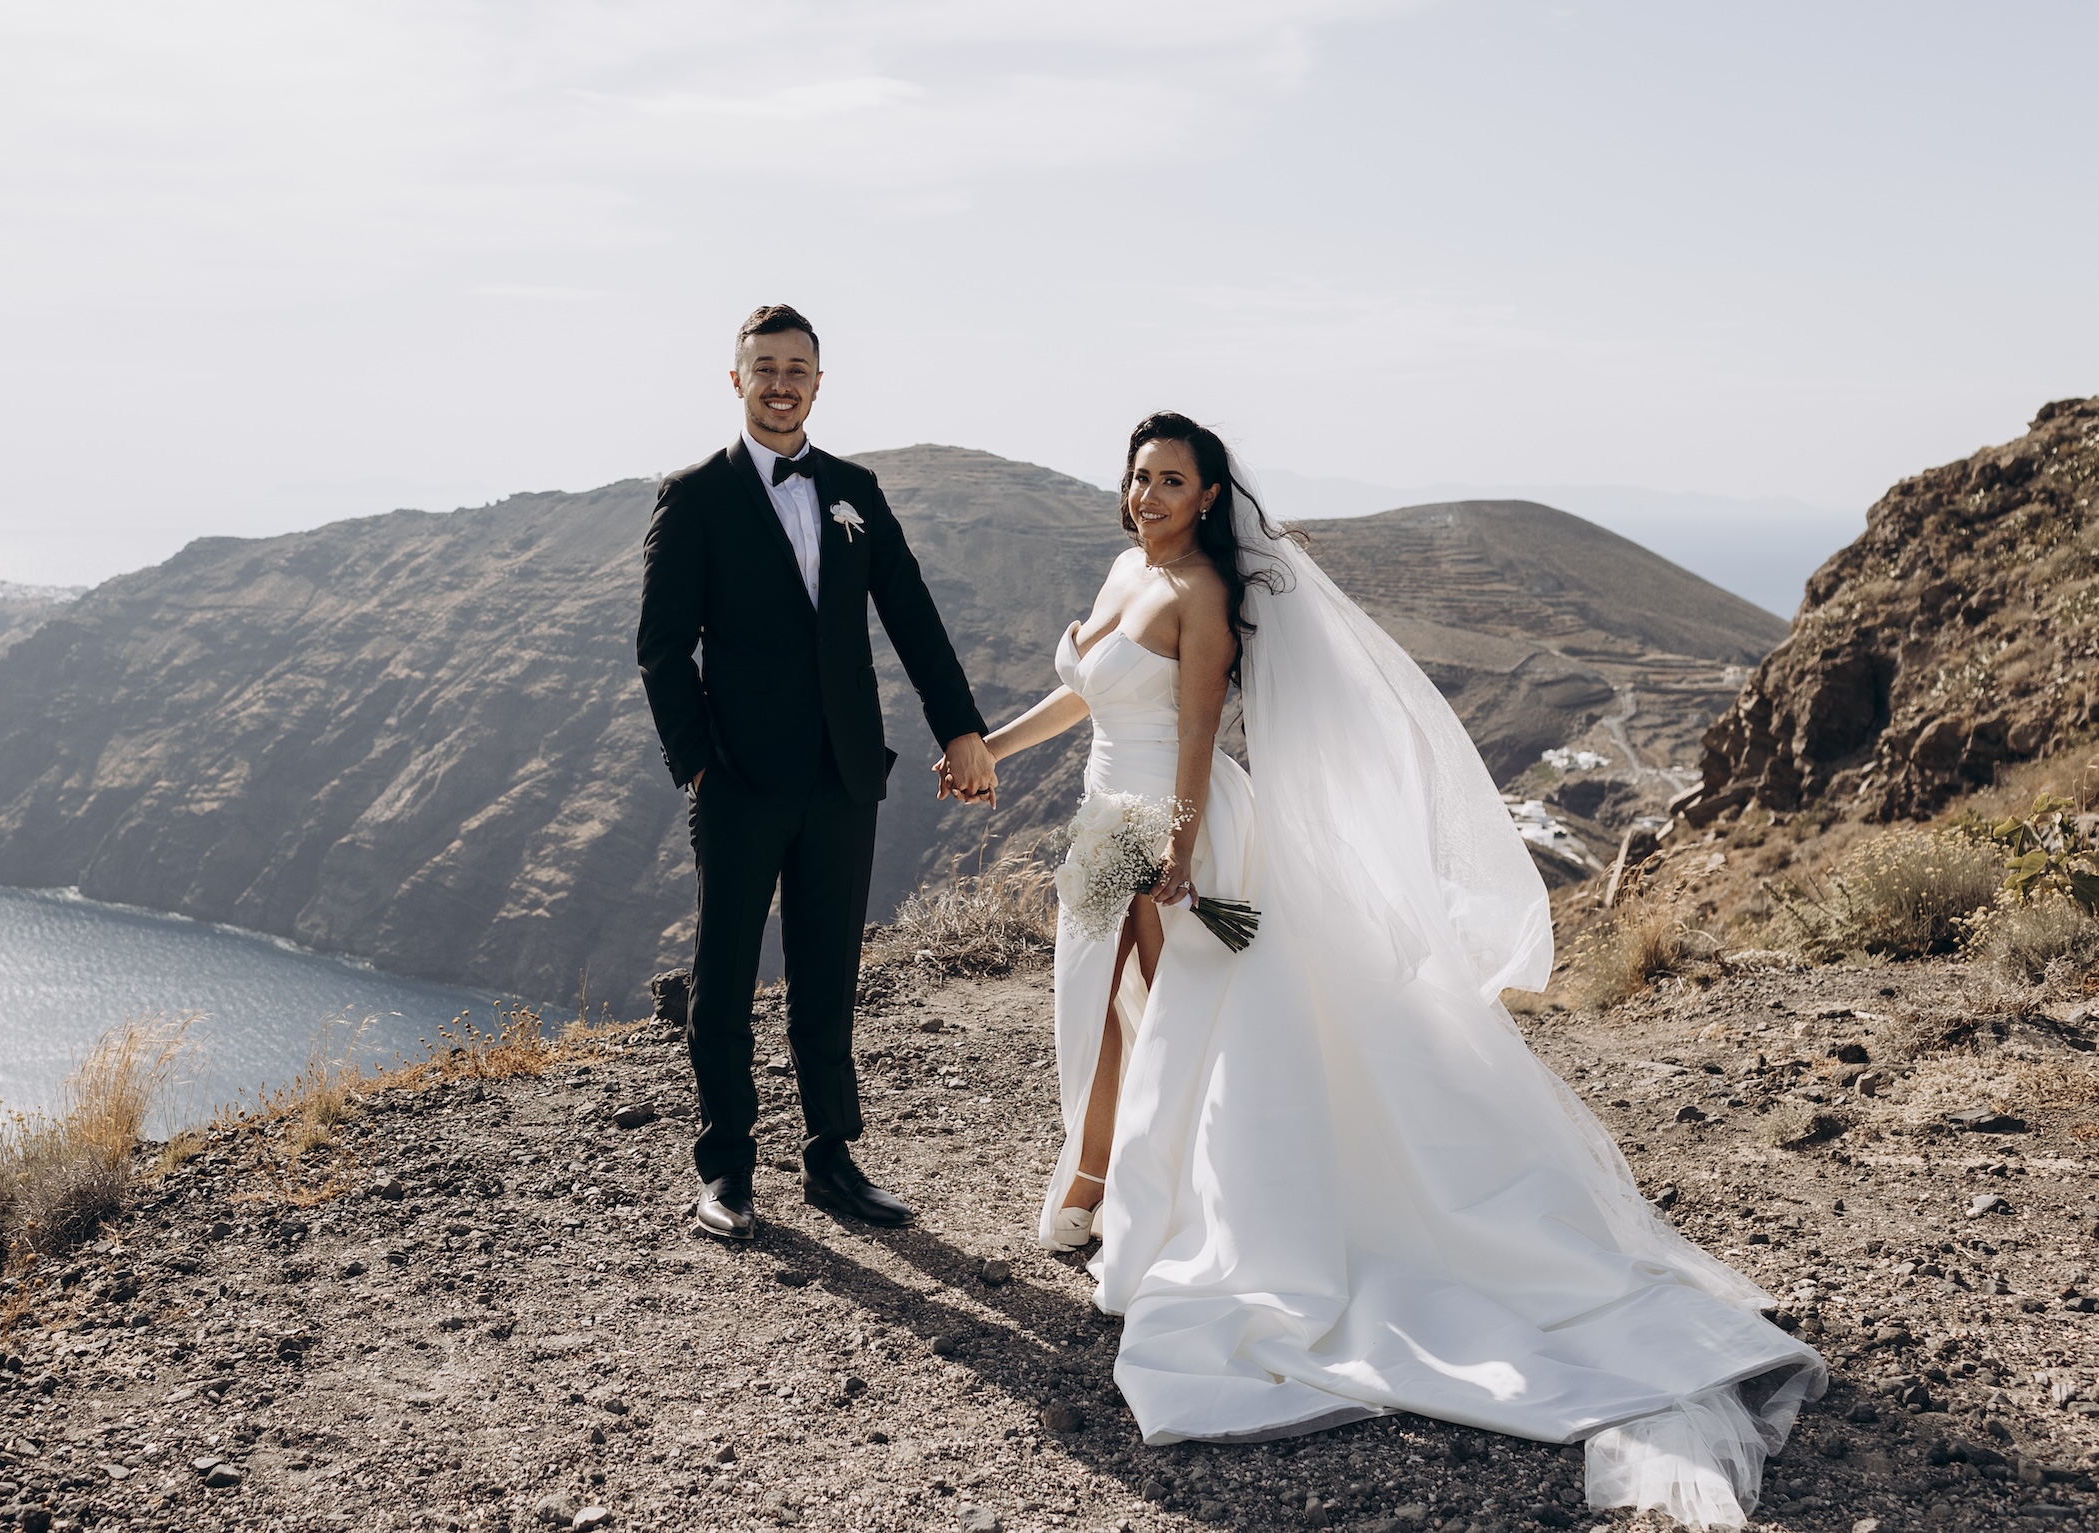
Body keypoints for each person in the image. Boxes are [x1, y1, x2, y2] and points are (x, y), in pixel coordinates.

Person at [953, 412, 1825, 1529]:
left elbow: (1198, 725)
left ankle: (1131, 1204)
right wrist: (990, 744)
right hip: (1099, 818)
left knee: (1178, 1026)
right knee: (1098, 1013)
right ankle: (1099, 1184)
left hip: (1178, 827)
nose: (1150, 496)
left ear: (1211, 496)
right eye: (1138, 478)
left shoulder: (1201, 598)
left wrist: (1178, 848)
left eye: (1171, 481)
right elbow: (1089, 699)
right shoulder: (1125, 566)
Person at [637, 304, 996, 1240]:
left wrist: (961, 729)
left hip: (844, 775)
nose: (782, 381)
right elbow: (663, 649)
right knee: (722, 979)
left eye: (798, 367)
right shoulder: (694, 496)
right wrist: (699, 770)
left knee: (827, 975)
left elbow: (911, 613)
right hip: (738, 781)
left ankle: (833, 1160)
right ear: (736, 379)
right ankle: (725, 1171)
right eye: (765, 367)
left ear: (819, 382)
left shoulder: (854, 490)